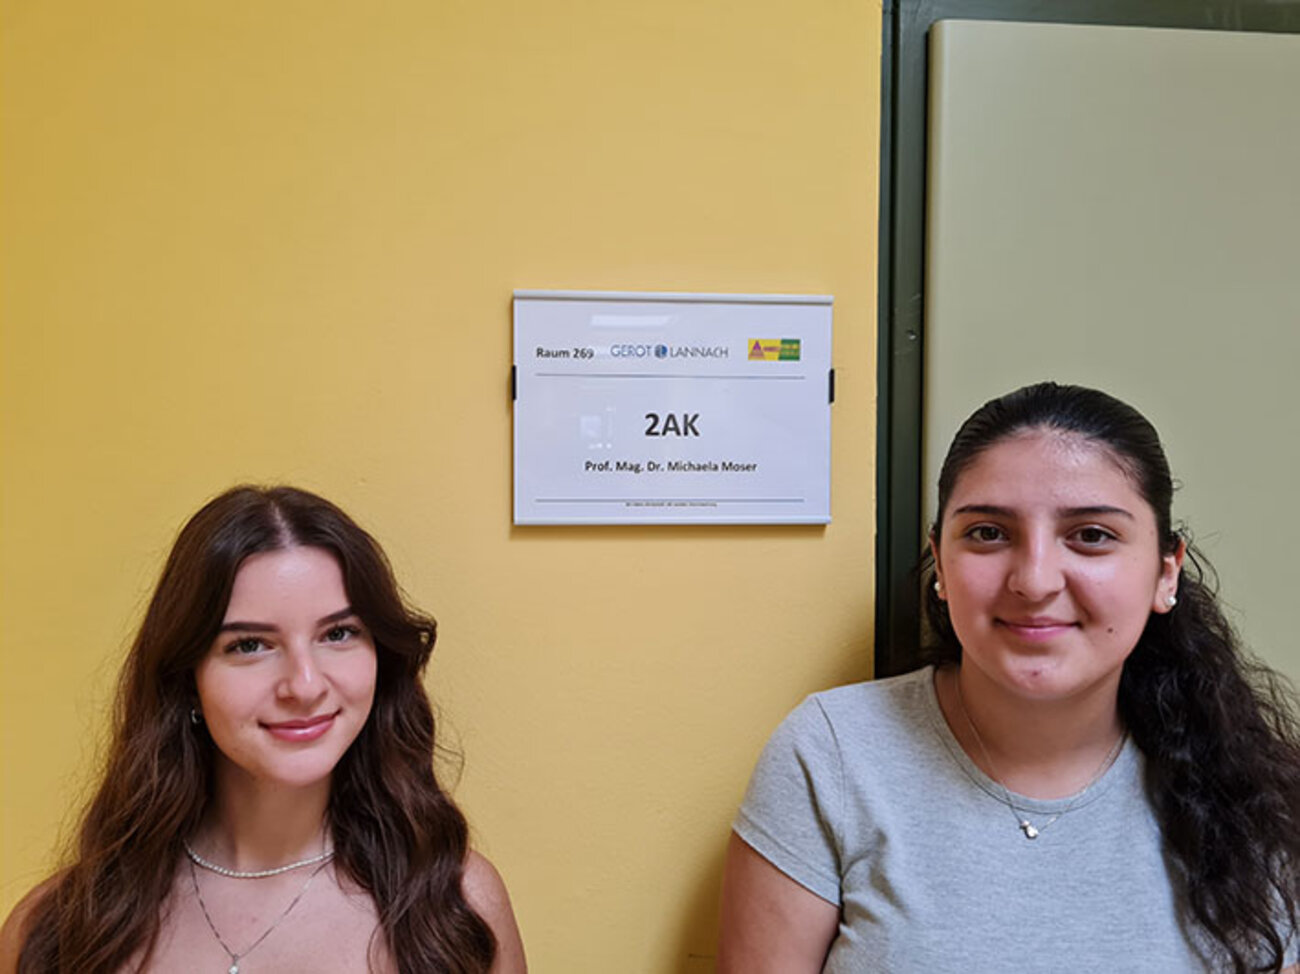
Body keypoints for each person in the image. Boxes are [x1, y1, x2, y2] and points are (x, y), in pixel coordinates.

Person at [718, 382, 1300, 973]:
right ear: (940, 563)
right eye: (988, 533)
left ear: (1166, 572)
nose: (1035, 581)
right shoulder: (833, 755)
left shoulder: (1255, 797)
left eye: (1091, 535)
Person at [0, 486, 526, 973]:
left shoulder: (456, 907)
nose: (304, 685)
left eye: (338, 633)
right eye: (250, 645)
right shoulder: (56, 931)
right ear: (186, 680)